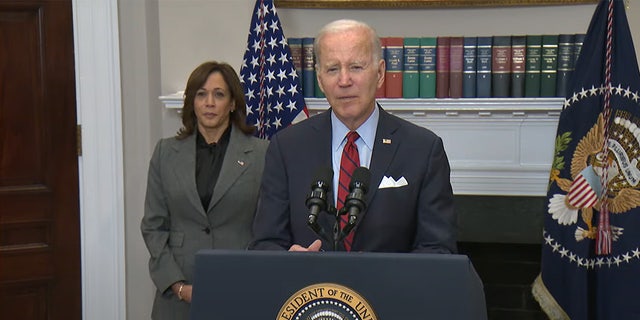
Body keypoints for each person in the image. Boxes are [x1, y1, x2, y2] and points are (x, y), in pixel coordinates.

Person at [249, 19, 457, 253]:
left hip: (389, 289)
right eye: (333, 69)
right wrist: (290, 263)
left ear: (379, 73)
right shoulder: (286, 148)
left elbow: (438, 248)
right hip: (311, 287)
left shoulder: (423, 149)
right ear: (320, 79)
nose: (344, 81)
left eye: (356, 67)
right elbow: (265, 243)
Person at [141, 61, 268, 319]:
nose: (209, 102)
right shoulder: (166, 153)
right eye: (201, 94)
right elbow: (153, 227)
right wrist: (177, 286)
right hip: (177, 295)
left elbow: (268, 228)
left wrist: (249, 278)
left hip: (240, 290)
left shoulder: (261, 154)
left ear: (232, 103)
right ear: (192, 102)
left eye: (219, 94)